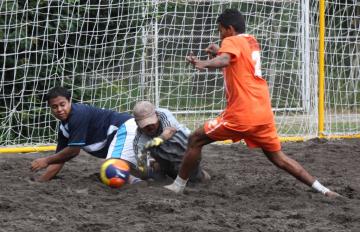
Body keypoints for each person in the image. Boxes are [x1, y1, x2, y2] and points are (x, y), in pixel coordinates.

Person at [164, 9, 339, 197]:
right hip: (263, 112)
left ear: (229, 29)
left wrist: (203, 63)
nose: (220, 35)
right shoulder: (251, 41)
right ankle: (325, 190)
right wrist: (220, 51)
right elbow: (233, 58)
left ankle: (178, 186)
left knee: (195, 139)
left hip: (242, 114)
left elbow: (225, 59)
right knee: (279, 158)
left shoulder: (230, 41)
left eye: (220, 30)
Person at [30, 86, 143, 185]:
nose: (59, 109)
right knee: (140, 168)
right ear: (50, 108)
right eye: (54, 107)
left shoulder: (78, 115)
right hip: (124, 133)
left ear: (69, 102)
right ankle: (151, 177)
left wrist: (46, 160)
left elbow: (74, 151)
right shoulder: (64, 129)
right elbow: (60, 158)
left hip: (127, 128)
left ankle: (138, 184)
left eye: (62, 105)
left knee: (111, 169)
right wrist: (41, 181)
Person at [132, 101, 210, 182]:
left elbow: (170, 131)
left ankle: (197, 173)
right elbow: (142, 166)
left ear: (157, 115)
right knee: (151, 171)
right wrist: (151, 165)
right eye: (144, 124)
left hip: (184, 145)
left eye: (151, 122)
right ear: (137, 123)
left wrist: (152, 143)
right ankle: (172, 174)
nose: (149, 126)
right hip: (163, 160)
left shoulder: (163, 113)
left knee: (195, 178)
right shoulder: (138, 141)